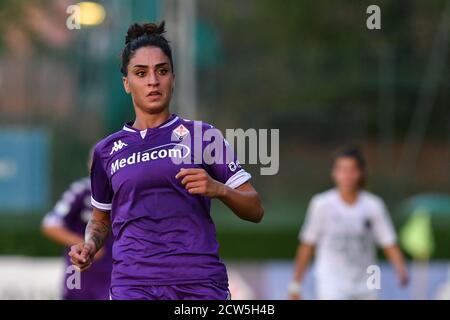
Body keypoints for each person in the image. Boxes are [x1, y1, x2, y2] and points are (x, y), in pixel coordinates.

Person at [69, 21, 264, 300]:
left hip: (200, 285)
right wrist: (89, 245)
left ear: (173, 77)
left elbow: (255, 209)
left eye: (162, 71)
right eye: (141, 73)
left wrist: (218, 189)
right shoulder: (106, 151)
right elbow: (100, 221)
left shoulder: (203, 136)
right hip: (132, 286)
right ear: (126, 83)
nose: (153, 81)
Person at [289, 146, 409, 300]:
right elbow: (307, 244)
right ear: (334, 173)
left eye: (351, 170)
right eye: (342, 170)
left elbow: (388, 241)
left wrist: (400, 269)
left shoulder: (374, 205)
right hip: (331, 282)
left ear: (360, 173)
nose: (347, 176)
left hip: (368, 280)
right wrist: (295, 284)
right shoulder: (321, 204)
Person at [41, 150, 113, 300]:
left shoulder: (127, 191)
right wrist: (86, 245)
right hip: (78, 272)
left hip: (113, 272)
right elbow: (50, 225)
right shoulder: (80, 190)